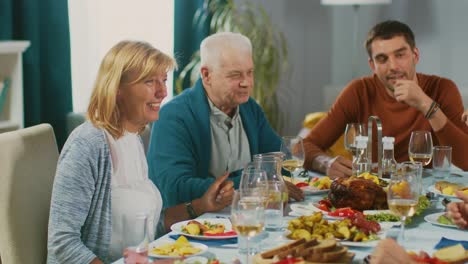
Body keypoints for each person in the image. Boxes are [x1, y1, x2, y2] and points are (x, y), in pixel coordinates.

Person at [47, 41, 234, 264]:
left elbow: (148, 227)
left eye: (163, 81)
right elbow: (62, 243)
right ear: (117, 88)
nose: (162, 92)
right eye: (149, 82)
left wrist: (201, 206)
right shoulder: (88, 144)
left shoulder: (133, 138)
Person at [147, 32, 304, 207]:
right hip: (192, 227)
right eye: (235, 75)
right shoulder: (173, 116)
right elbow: (176, 188)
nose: (246, 83)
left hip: (246, 218)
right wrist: (251, 184)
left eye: (250, 73)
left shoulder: (249, 108)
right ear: (206, 75)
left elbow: (280, 161)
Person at [303, 20, 468, 178]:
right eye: (382, 59)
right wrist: (324, 162)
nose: (393, 66)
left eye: (400, 55)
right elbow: (304, 147)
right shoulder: (359, 91)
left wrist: (426, 105)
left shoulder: (442, 88)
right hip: (371, 191)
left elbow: (466, 161)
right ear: (372, 65)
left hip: (423, 193)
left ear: (415, 55)